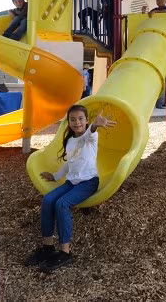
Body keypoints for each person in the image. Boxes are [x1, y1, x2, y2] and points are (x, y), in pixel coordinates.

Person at [25, 105, 117, 272]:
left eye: (81, 119)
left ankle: (65, 251)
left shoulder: (91, 137)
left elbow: (90, 133)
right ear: (68, 122)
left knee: (62, 204)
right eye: (73, 119)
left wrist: (95, 125)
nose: (77, 122)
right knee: (48, 200)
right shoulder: (70, 140)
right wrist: (55, 176)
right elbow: (70, 163)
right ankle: (48, 247)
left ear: (86, 121)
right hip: (71, 182)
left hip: (88, 182)